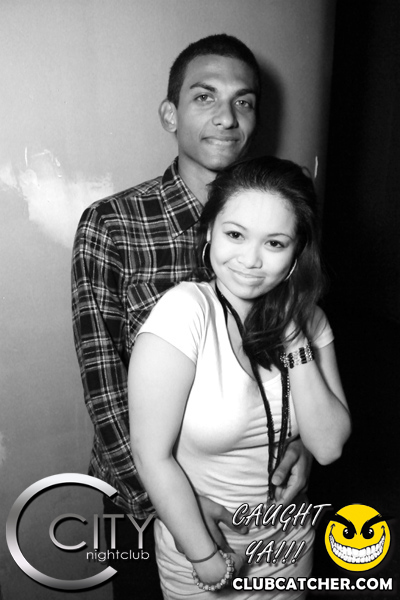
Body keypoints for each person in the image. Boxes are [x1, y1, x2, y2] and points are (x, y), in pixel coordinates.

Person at [72, 34, 313, 599]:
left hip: (258, 500)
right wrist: (170, 504)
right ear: (170, 114)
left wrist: (298, 444)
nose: (227, 117)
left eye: (243, 101)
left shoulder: (285, 222)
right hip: (138, 500)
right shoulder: (114, 223)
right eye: (205, 97)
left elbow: (295, 354)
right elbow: (104, 385)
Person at [128, 156, 351, 599]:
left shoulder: (309, 320)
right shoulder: (184, 313)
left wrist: (293, 330)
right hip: (206, 548)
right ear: (209, 232)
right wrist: (206, 559)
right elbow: (150, 456)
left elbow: (327, 447)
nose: (251, 260)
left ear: (297, 252)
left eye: (275, 243)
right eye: (235, 235)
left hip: (290, 546)